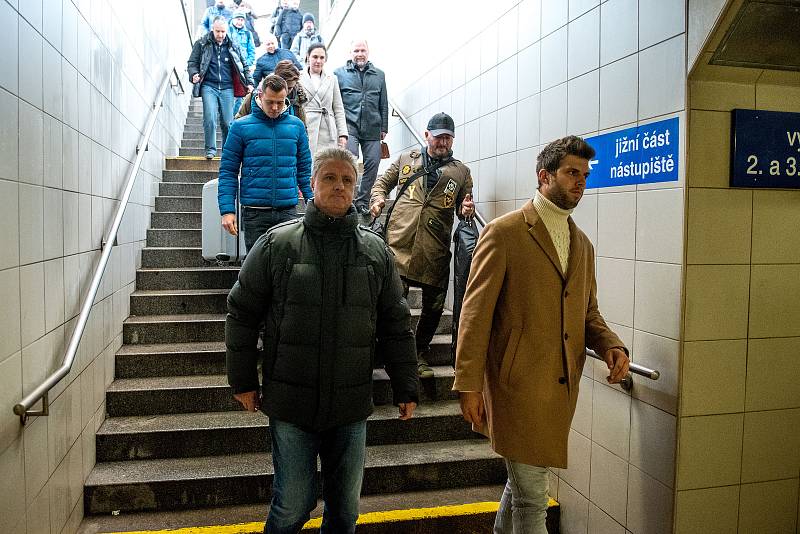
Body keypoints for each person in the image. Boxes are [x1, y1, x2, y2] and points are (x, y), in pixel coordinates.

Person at [226, 147, 419, 534]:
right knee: (292, 506)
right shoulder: (276, 245)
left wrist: (406, 385)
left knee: (344, 513)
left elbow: (396, 324)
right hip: (291, 404)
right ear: (312, 184)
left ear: (355, 188)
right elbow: (242, 314)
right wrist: (244, 381)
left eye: (347, 180)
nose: (339, 186)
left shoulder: (375, 251)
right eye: (329, 178)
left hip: (349, 408)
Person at [453, 136, 631, 534]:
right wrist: (468, 384)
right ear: (544, 176)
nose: (580, 182)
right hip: (515, 385)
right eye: (571, 173)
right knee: (534, 500)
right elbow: (474, 314)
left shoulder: (581, 243)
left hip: (558, 388)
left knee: (520, 488)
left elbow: (588, 313)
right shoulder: (504, 233)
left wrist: (611, 344)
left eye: (584, 175)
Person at [370, 112, 474, 378]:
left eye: (448, 138)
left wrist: (466, 209)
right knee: (394, 304)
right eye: (438, 137)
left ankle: (418, 353)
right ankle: (389, 352)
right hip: (399, 243)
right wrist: (378, 198)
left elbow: (465, 209)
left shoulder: (461, 172)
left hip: (434, 248)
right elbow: (382, 182)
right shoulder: (407, 160)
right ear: (427, 135)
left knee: (434, 307)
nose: (443, 143)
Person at [218, 75, 312, 251]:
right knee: (256, 269)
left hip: (288, 210)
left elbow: (304, 171)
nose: (275, 108)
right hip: (254, 211)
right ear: (260, 96)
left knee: (288, 266)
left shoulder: (297, 126)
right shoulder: (240, 127)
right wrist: (227, 210)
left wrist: (312, 201)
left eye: (280, 102)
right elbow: (228, 172)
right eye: (270, 102)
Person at [334, 40, 388, 215]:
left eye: (362, 50)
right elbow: (335, 102)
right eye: (356, 50)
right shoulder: (339, 74)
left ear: (368, 52)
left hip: (373, 126)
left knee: (373, 162)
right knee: (349, 161)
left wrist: (384, 126)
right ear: (350, 53)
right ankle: (347, 199)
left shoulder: (379, 75)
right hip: (349, 125)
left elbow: (384, 103)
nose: (359, 54)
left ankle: (362, 201)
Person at [188, 16, 253, 159]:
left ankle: (227, 151)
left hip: (227, 87)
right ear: (212, 29)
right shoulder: (202, 43)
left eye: (223, 31)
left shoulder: (233, 44)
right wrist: (193, 74)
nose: (220, 35)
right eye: (217, 31)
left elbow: (244, 65)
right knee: (210, 117)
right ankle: (210, 149)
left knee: (227, 122)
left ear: (227, 30)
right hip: (208, 86)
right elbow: (192, 62)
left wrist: (249, 82)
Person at [299, 44, 348, 156]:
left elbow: (338, 108)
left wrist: (342, 134)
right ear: (308, 57)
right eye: (315, 57)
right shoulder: (299, 77)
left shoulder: (332, 78)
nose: (318, 61)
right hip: (306, 127)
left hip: (328, 129)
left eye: (322, 58)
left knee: (327, 164)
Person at [228, 9, 256, 116]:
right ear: (233, 19)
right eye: (238, 19)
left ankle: (235, 117)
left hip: (244, 69)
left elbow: (251, 51)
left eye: (242, 20)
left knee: (241, 94)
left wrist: (247, 64)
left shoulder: (248, 34)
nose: (240, 22)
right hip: (232, 69)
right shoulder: (228, 30)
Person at [272, 60, 308, 125]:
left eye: (289, 88)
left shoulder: (298, 98)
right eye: (283, 87)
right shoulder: (260, 97)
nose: (285, 91)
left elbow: (303, 127)